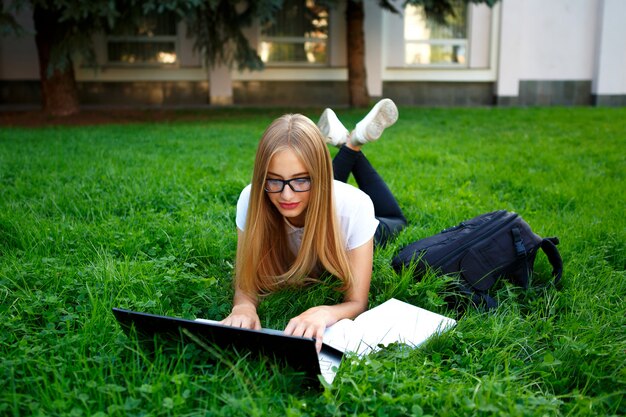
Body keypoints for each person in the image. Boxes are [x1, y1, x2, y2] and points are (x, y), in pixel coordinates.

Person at [221, 99, 407, 351]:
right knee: (303, 194)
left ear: (319, 177)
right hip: (323, 199)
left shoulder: (355, 208)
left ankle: (352, 142)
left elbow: (356, 301)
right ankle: (349, 142)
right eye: (274, 181)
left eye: (300, 180)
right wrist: (243, 305)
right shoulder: (252, 198)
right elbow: (246, 283)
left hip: (364, 229)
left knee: (397, 220)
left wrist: (325, 313)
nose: (286, 196)